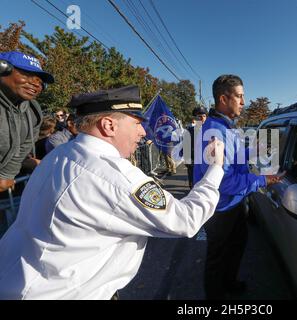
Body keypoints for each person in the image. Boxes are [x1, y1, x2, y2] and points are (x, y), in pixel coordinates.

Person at [0, 85, 225, 300]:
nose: (143, 131)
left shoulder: (61, 154)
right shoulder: (113, 176)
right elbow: (186, 220)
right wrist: (215, 168)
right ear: (109, 125)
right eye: (137, 123)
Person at [193, 75, 283, 299]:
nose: (244, 102)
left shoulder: (226, 127)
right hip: (220, 208)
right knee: (218, 257)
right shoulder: (214, 132)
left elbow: (233, 160)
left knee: (236, 246)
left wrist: (253, 151)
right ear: (224, 98)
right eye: (240, 96)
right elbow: (224, 181)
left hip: (234, 204)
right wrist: (264, 180)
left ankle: (229, 282)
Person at [0, 51, 54, 192]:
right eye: (27, 75)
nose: (35, 84)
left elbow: (23, 147)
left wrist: (6, 174)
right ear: (2, 69)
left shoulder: (33, 111)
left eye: (40, 81)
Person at [186, 106, 208, 188]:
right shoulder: (190, 131)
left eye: (204, 116)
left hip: (207, 163)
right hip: (194, 163)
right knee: (194, 187)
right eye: (199, 116)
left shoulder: (210, 130)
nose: (202, 118)